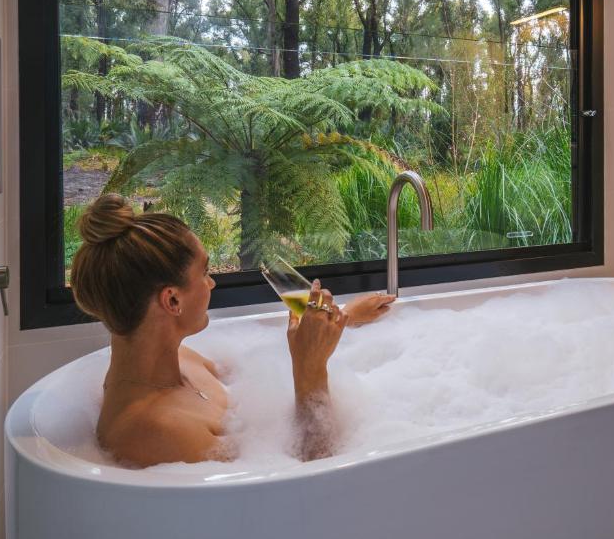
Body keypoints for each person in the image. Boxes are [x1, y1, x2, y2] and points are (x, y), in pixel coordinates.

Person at [70, 194, 394, 467]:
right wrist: (310, 372)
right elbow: (306, 479)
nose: (212, 283)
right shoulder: (152, 432)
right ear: (172, 299)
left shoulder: (180, 360)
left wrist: (342, 319)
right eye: (205, 272)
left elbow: (256, 365)